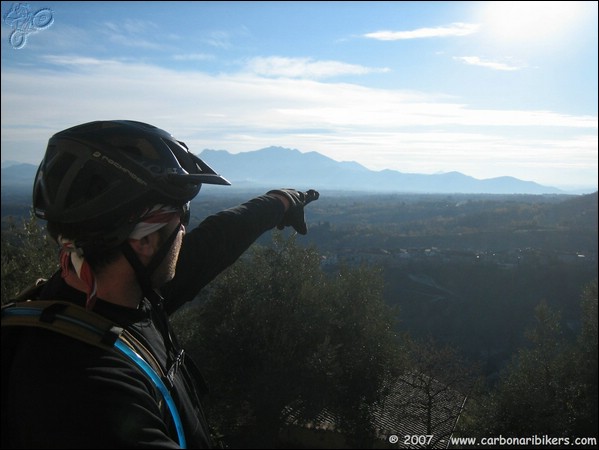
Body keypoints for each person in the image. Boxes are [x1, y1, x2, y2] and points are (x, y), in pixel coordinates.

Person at [1, 120, 319, 449]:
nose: (184, 233)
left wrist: (279, 201)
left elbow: (214, 243)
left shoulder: (102, 302)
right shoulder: (88, 395)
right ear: (144, 241)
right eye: (182, 218)